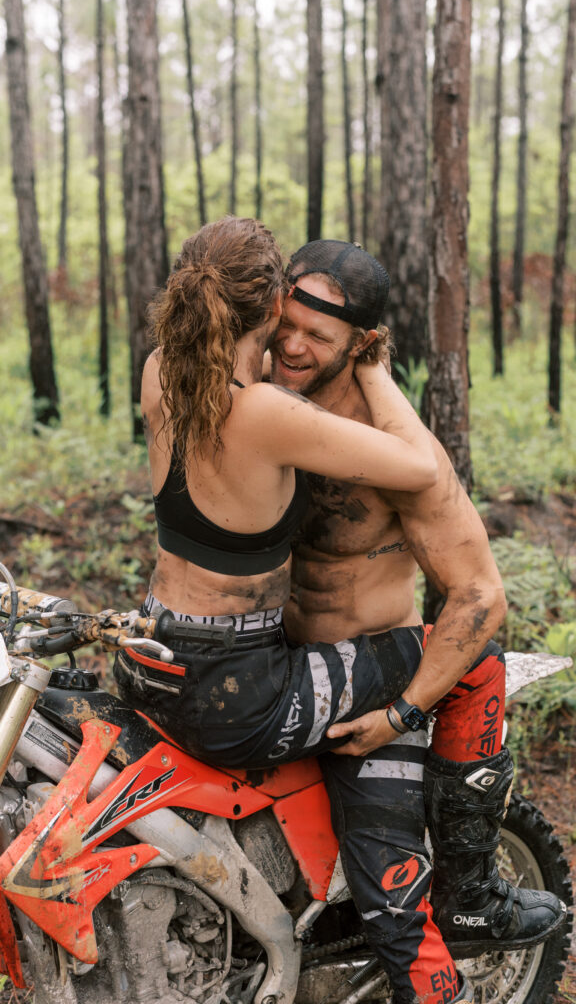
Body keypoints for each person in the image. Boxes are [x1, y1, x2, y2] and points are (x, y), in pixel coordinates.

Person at [114, 216, 477, 1004]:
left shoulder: (160, 373)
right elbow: (420, 466)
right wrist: (375, 370)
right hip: (234, 688)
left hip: (154, 654)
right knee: (469, 647)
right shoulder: (271, 416)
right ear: (273, 303)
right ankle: (473, 876)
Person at [269, 240, 567, 976]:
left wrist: (400, 713)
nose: (293, 346)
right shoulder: (262, 391)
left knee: (396, 921)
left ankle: (466, 895)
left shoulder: (396, 449)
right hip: (276, 673)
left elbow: (478, 594)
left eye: (320, 336)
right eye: (286, 323)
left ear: (363, 345)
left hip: (368, 685)